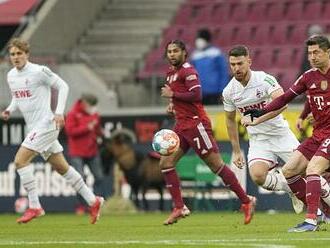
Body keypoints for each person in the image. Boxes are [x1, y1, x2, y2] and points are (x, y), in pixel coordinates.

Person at [1, 38, 103, 224]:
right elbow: (18, 98)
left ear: (27, 54)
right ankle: (93, 200)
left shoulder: (39, 71)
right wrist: (9, 109)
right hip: (34, 127)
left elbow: (63, 86)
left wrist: (58, 113)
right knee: (62, 168)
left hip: (46, 124)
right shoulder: (11, 76)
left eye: (19, 53)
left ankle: (34, 206)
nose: (16, 57)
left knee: (20, 161)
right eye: (13, 54)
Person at [160, 40, 256, 225]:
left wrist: (173, 96)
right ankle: (179, 207)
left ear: (184, 53)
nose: (172, 54)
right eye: (169, 51)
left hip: (196, 125)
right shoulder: (171, 74)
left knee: (216, 165)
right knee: (166, 163)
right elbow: (181, 97)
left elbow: (196, 95)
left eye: (175, 51)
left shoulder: (188, 71)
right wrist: (173, 105)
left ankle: (246, 200)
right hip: (181, 125)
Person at [245, 35, 330, 232]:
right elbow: (286, 98)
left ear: (327, 52)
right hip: (318, 133)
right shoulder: (308, 76)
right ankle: (321, 213)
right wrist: (262, 111)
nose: (312, 57)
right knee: (289, 171)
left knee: (313, 170)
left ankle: (311, 221)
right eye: (309, 53)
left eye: (316, 52)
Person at [222, 45, 303, 214]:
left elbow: (283, 103)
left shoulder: (264, 79)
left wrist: (258, 118)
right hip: (259, 139)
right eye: (233, 64)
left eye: (240, 63)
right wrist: (236, 151)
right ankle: (291, 190)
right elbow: (229, 121)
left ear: (249, 61)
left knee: (307, 171)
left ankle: (321, 210)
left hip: (280, 134)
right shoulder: (229, 91)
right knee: (258, 176)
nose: (236, 68)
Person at [65, 93, 104, 214]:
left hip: (92, 151)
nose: (93, 108)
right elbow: (69, 131)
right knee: (80, 178)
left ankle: (95, 202)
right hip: (77, 152)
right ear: (84, 103)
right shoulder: (72, 114)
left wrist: (100, 136)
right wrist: (87, 127)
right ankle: (81, 205)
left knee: (99, 177)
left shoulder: (95, 114)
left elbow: (97, 130)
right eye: (91, 105)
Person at [191, 28, 229, 105]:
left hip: (214, 92)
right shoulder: (195, 55)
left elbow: (224, 72)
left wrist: (223, 90)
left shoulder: (216, 53)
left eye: (200, 38)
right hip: (199, 93)